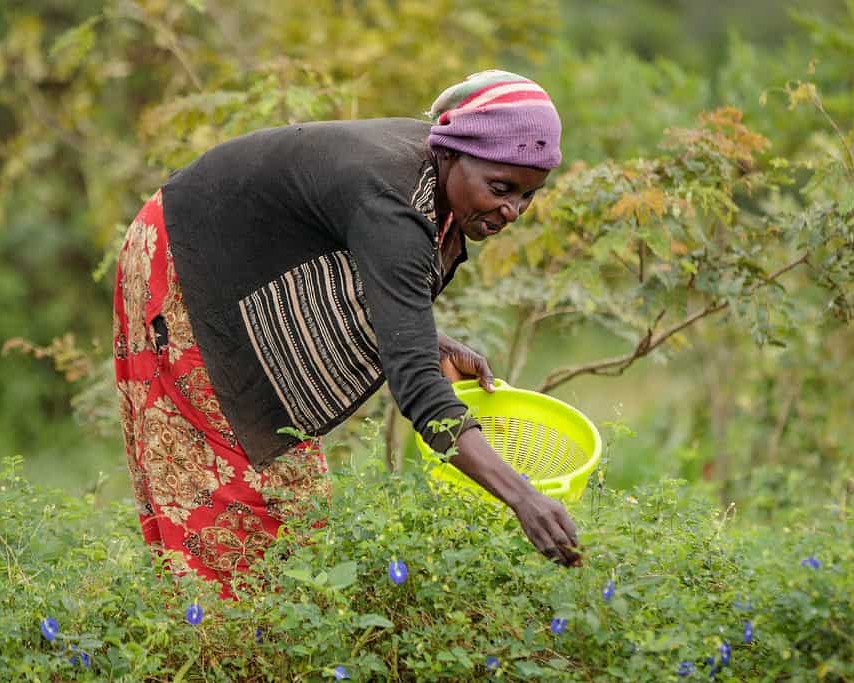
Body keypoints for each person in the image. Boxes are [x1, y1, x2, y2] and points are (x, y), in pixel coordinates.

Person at [113, 70, 581, 598]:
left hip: (245, 259)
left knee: (297, 513)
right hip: (187, 260)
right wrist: (524, 498)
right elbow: (421, 393)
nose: (512, 211)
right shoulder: (395, 204)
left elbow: (385, 296)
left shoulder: (432, 183)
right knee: (228, 499)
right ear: (452, 153)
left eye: (528, 195)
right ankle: (217, 641)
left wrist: (430, 340)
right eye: (500, 188)